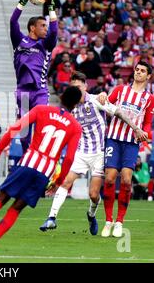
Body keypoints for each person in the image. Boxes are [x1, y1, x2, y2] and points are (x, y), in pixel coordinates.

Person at [0, 86, 82, 254]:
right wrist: (58, 182)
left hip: (28, 162)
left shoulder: (41, 109)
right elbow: (69, 158)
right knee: (16, 208)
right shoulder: (75, 126)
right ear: (75, 105)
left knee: (1, 198)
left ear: (60, 97)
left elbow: (15, 128)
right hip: (44, 173)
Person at [39, 72, 147, 235]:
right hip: (81, 152)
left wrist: (136, 128)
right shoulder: (71, 107)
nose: (76, 90)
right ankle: (51, 218)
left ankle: (91, 215)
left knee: (93, 194)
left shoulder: (97, 100)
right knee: (66, 183)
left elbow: (118, 112)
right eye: (73, 87)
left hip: (100, 154)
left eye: (78, 87)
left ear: (85, 86)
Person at [97, 60, 154, 238]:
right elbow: (107, 103)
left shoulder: (149, 99)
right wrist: (102, 94)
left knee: (127, 180)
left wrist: (145, 134)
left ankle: (120, 222)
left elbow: (147, 124)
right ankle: (108, 220)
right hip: (114, 139)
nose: (138, 72)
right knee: (109, 179)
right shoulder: (121, 89)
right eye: (137, 69)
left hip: (131, 142)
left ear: (148, 76)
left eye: (142, 71)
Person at [10, 0, 58, 155]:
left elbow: (54, 32)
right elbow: (13, 21)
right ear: (32, 28)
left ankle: (39, 153)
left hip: (40, 91)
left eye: (46, 25)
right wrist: (23, 1)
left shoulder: (45, 44)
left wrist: (51, 8)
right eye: (42, 26)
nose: (46, 28)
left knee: (42, 122)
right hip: (22, 91)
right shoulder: (19, 41)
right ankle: (27, 155)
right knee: (23, 129)